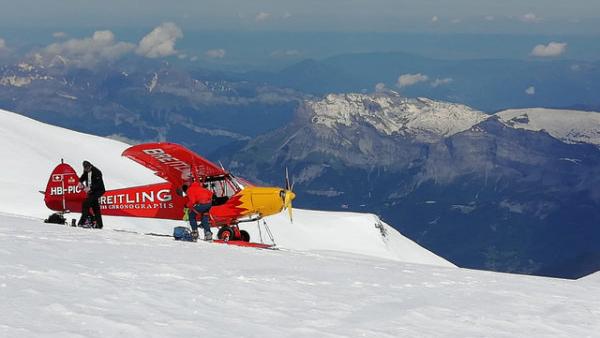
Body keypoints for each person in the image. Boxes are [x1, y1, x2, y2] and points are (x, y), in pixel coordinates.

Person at [77, 160, 106, 229]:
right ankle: (99, 224)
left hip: (98, 191)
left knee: (86, 204)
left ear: (90, 166)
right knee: (95, 208)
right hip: (91, 191)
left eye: (88, 168)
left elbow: (99, 184)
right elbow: (83, 176)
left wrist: (90, 188)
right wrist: (80, 181)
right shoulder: (86, 171)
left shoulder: (97, 172)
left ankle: (82, 222)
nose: (87, 170)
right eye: (85, 169)